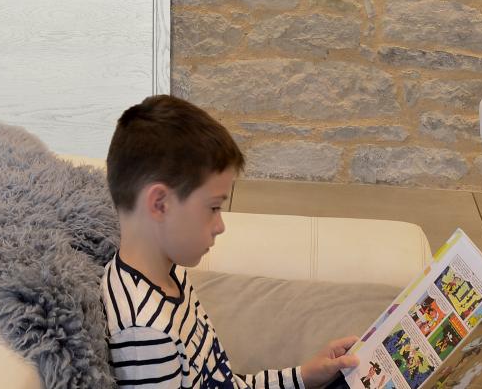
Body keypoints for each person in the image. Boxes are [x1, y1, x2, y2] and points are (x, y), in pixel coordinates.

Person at [103, 94, 359, 388]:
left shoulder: (171, 275)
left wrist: (303, 377)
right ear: (160, 204)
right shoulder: (146, 333)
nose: (220, 226)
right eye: (213, 208)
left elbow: (224, 381)